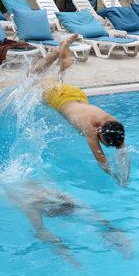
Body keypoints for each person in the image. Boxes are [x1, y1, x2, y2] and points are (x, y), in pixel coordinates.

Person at [0, 118, 134, 268]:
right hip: (4, 186)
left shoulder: (52, 196)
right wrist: (70, 257)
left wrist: (110, 231)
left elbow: (90, 218)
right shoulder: (38, 204)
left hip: (13, 179)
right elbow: (43, 232)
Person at [30, 35, 130, 185]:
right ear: (99, 131)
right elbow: (101, 160)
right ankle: (59, 53)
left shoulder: (114, 126)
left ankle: (63, 56)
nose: (107, 146)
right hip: (60, 98)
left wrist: (126, 176)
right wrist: (117, 178)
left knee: (58, 80)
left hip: (76, 94)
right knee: (32, 76)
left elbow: (122, 151)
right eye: (105, 143)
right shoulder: (91, 129)